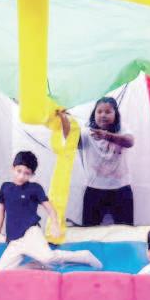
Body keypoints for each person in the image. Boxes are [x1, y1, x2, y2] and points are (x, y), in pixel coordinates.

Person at [0, 151, 103, 271]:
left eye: (27, 173)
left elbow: (50, 209)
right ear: (13, 168)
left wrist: (55, 225)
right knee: (0, 273)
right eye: (19, 171)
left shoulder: (34, 188)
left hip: (31, 233)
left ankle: (84, 256)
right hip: (14, 240)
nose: (21, 176)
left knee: (48, 257)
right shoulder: (5, 188)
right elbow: (0, 216)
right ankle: (36, 266)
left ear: (32, 174)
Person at [60, 97, 134, 226]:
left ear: (115, 114)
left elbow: (130, 142)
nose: (103, 115)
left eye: (108, 112)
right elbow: (71, 141)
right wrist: (63, 118)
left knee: (126, 231)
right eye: (99, 112)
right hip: (94, 190)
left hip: (121, 189)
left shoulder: (122, 129)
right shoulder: (87, 132)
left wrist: (106, 135)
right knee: (90, 232)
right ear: (94, 114)